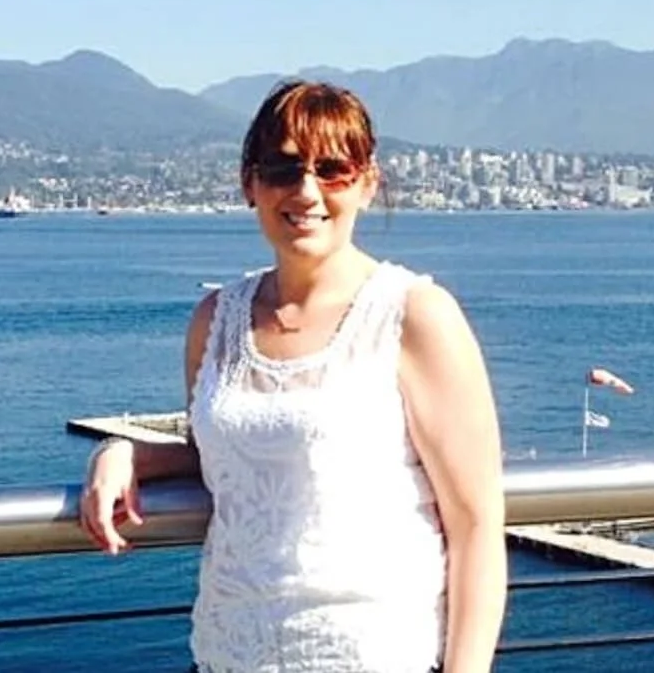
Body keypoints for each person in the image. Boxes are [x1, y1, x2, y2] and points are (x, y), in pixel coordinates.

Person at [81, 80, 507, 673]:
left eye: (332, 170)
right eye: (283, 169)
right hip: (227, 656)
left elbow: (476, 523)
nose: (306, 191)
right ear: (249, 184)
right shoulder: (217, 321)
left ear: (367, 183)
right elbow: (222, 458)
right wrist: (124, 453)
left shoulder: (412, 314)